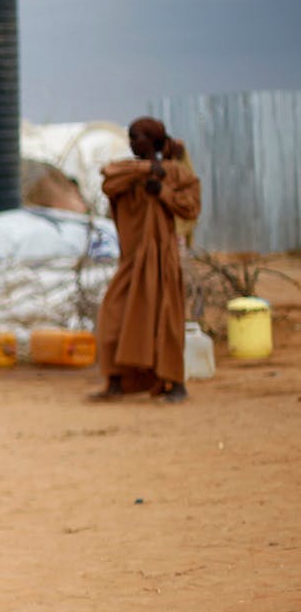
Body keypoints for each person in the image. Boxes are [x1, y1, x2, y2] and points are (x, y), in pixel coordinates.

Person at [91, 117, 201, 403]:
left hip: (162, 260)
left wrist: (162, 192)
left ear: (152, 140)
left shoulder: (174, 174)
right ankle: (117, 382)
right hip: (132, 260)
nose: (132, 143)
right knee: (113, 317)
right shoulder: (129, 172)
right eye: (129, 138)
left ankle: (175, 383)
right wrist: (148, 171)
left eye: (137, 137)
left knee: (166, 323)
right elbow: (109, 178)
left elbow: (191, 206)